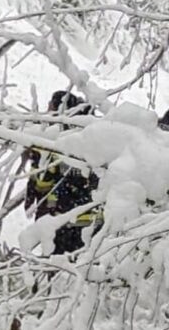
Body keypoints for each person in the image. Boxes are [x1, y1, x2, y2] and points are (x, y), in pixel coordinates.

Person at [24, 90, 102, 255]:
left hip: (61, 221)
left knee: (59, 271)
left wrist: (36, 159)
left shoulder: (55, 143)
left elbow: (42, 182)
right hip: (94, 224)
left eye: (51, 108)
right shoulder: (96, 140)